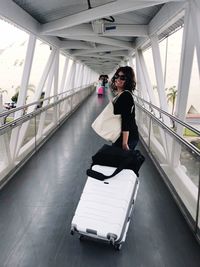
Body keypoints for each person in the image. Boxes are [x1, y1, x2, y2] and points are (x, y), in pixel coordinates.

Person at [111, 66, 139, 150]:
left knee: (119, 160)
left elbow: (126, 119)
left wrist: (125, 143)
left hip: (127, 137)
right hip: (121, 134)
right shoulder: (120, 94)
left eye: (122, 77)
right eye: (117, 76)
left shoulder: (126, 96)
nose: (118, 79)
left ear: (128, 80)